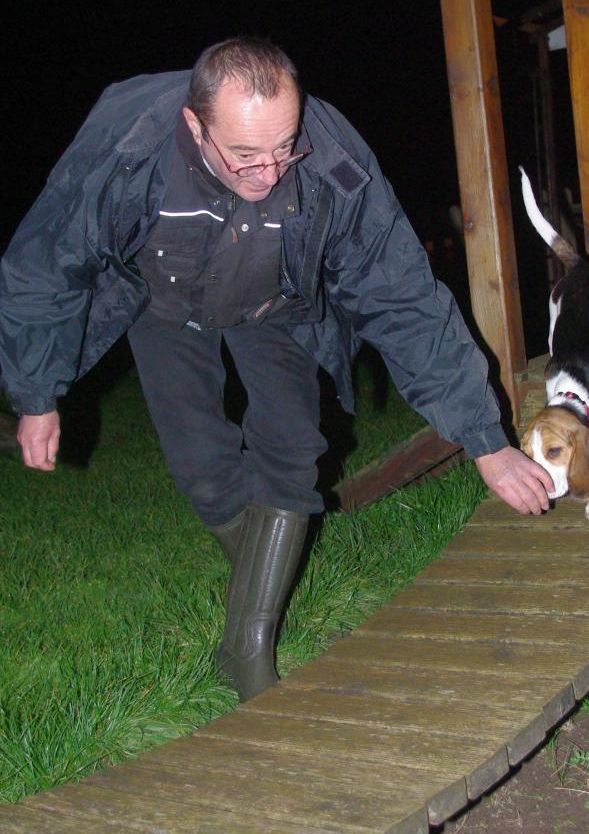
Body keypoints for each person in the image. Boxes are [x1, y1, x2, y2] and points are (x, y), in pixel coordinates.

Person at [0, 37, 552, 701]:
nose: (271, 174)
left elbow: (401, 293)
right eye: (245, 157)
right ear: (194, 124)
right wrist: (37, 393)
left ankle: (248, 648)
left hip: (279, 301)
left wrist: (484, 441)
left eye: (283, 148)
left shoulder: (331, 156)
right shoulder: (128, 147)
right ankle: (260, 583)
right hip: (163, 301)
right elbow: (45, 266)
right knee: (202, 466)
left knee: (295, 446)